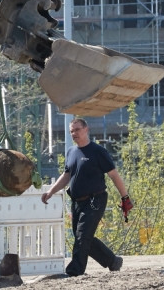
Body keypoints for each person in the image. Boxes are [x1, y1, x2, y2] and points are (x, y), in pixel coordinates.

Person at [41, 117, 133, 276]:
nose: (74, 133)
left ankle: (74, 271)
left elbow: (113, 175)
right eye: (71, 131)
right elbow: (66, 175)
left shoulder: (98, 151)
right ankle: (112, 261)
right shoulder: (71, 152)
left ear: (86, 129)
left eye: (77, 130)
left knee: (82, 236)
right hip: (77, 202)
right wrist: (51, 192)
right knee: (82, 237)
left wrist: (125, 197)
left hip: (95, 200)